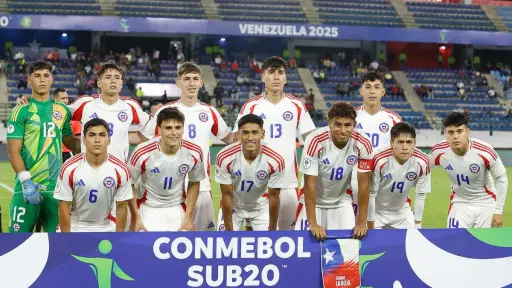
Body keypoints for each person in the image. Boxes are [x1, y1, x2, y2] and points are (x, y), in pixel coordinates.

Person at [136, 62, 234, 231]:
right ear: (178, 83)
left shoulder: (209, 112)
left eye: (195, 79)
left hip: (201, 186)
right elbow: (142, 138)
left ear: (201, 83)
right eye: (186, 79)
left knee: (204, 240)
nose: (191, 83)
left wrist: (251, 133)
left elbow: (230, 139)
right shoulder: (165, 111)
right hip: (170, 191)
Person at [225, 56, 316, 231]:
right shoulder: (251, 106)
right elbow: (237, 140)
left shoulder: (296, 105)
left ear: (286, 78)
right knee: (256, 236)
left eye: (280, 73)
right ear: (262, 77)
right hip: (257, 184)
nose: (276, 77)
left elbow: (311, 139)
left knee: (287, 235)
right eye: (271, 72)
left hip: (288, 181)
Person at [7, 60, 81, 233]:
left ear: (52, 80)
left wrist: (91, 145)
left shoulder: (62, 110)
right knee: (17, 243)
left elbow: (69, 141)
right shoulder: (21, 111)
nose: (42, 79)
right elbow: (13, 151)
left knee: (57, 246)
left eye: (46, 76)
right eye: (37, 76)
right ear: (29, 80)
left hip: (56, 190)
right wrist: (26, 182)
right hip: (27, 187)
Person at [295, 102, 373, 240]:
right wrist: (312, 223)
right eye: (338, 124)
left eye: (347, 125)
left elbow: (364, 184)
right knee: (305, 248)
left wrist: (361, 222)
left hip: (341, 202)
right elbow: (309, 184)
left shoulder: (363, 143)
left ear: (354, 125)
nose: (343, 130)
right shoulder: (315, 140)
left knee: (347, 250)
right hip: (314, 203)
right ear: (329, 123)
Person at [129, 108, 204, 231]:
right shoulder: (142, 152)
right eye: (168, 128)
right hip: (149, 207)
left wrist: (188, 217)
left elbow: (194, 182)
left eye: (178, 127)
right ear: (159, 130)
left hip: (176, 207)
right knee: (143, 248)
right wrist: (136, 218)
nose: (174, 132)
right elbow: (128, 184)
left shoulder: (194, 152)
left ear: (183, 129)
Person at [429, 112, 508, 228]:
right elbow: (421, 169)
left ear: (467, 132)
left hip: (486, 202)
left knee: (485, 244)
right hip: (459, 202)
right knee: (454, 243)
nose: (455, 136)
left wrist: (498, 211)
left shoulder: (485, 151)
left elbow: (501, 178)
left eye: (459, 131)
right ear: (445, 134)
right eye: (450, 132)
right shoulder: (439, 151)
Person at [54, 118, 133, 232]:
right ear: (84, 140)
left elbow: (122, 207)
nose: (97, 140)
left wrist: (118, 238)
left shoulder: (121, 169)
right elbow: (63, 206)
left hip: (106, 226)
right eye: (92, 135)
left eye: (102, 135)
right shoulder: (69, 167)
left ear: (109, 139)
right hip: (75, 225)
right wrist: (67, 239)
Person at [215, 114, 284, 231]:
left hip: (261, 207)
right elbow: (226, 195)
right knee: (224, 244)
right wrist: (228, 233)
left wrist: (272, 230)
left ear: (263, 134)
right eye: (245, 132)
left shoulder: (275, 160)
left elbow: (274, 196)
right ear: (238, 135)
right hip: (234, 207)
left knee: (267, 245)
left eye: (255, 132)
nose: (250, 137)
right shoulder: (224, 157)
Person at [351, 71, 401, 216]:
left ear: (383, 91)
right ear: (361, 91)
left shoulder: (394, 120)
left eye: (377, 87)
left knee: (380, 228)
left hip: (384, 181)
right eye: (368, 87)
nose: (372, 91)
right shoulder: (351, 117)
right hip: (354, 179)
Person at [368, 122, 431, 229]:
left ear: (415, 143)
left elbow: (420, 195)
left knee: (412, 242)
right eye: (400, 142)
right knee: (371, 244)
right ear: (392, 143)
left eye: (409, 142)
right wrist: (370, 223)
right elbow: (371, 195)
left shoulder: (422, 162)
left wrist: (417, 224)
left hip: (401, 212)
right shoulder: (380, 160)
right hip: (377, 211)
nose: (405, 147)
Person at [53, 88, 81, 163]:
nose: (66, 101)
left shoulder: (73, 118)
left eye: (67, 98)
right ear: (55, 99)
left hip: (67, 153)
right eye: (63, 98)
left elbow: (77, 140)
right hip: (52, 153)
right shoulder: (47, 115)